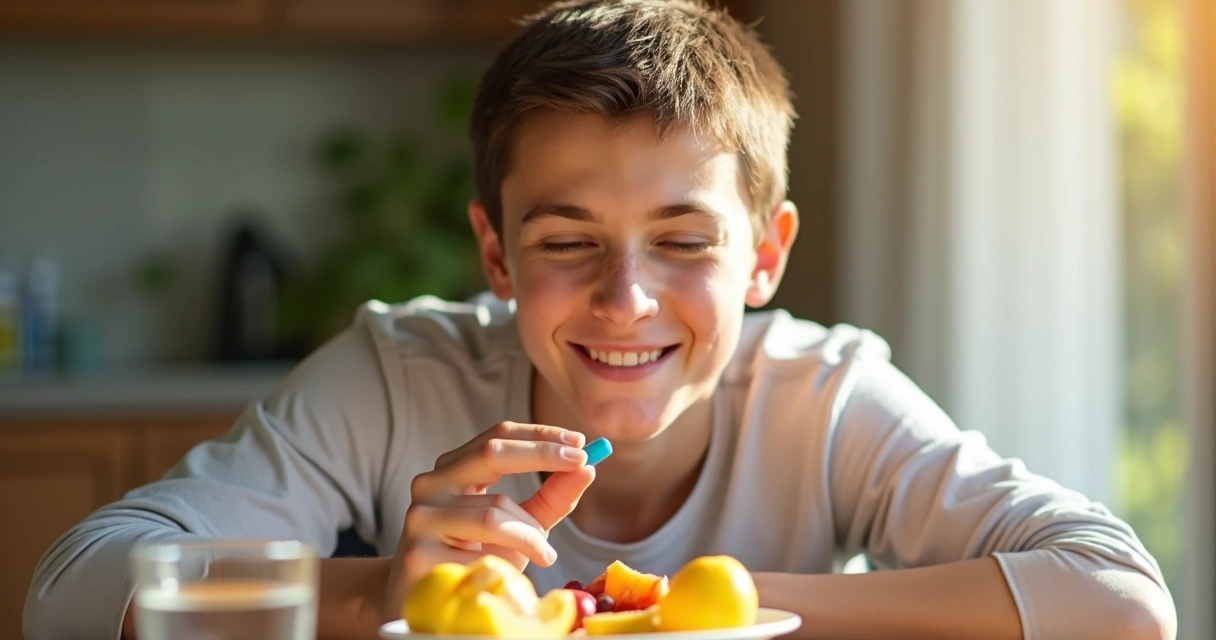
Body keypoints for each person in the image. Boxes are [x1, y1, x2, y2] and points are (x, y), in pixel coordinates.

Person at [25, 1, 1176, 638]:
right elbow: (72, 587)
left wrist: (684, 617)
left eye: (682, 241)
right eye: (567, 241)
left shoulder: (823, 395)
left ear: (765, 256)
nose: (625, 300)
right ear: (495, 257)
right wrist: (377, 591)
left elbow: (1120, 601)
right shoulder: (395, 374)